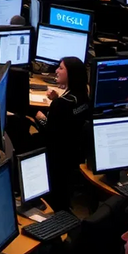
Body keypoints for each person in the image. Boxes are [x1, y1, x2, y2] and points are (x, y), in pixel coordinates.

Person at [34, 56, 90, 211]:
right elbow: (69, 118)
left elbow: (49, 132)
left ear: (70, 73)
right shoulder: (83, 96)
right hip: (73, 153)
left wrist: (39, 117)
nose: (57, 71)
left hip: (56, 156)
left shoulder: (61, 105)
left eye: (61, 68)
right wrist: (57, 99)